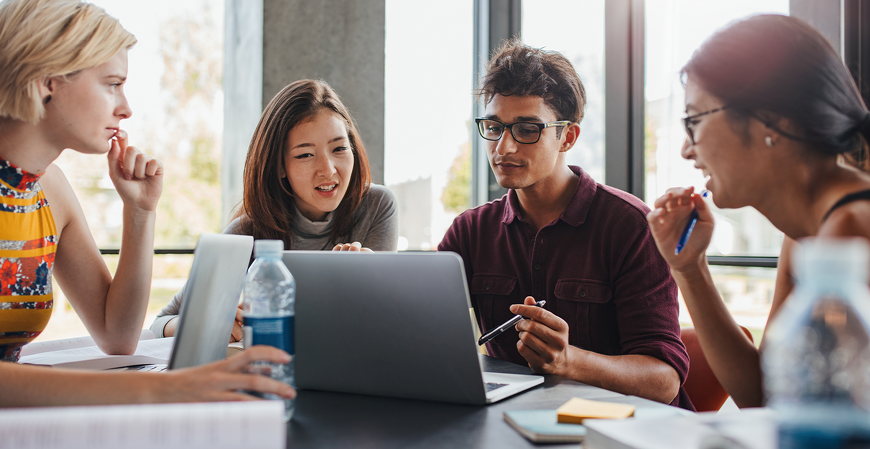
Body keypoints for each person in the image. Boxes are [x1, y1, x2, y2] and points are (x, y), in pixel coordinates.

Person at [0, 0, 294, 406]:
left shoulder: (50, 188)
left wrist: (139, 212)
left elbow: (117, 336)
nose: (126, 107)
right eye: (112, 83)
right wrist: (162, 388)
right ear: (47, 80)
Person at [438, 39, 692, 409]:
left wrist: (569, 361)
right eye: (494, 127)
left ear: (567, 137)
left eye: (526, 129)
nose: (503, 148)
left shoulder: (630, 225)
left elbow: (664, 381)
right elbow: (418, 332)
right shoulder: (470, 231)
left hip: (627, 431)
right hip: (517, 425)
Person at [646, 14, 870, 408]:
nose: (686, 149)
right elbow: (765, 395)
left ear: (770, 120)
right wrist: (688, 267)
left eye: (695, 120)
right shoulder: (806, 230)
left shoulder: (852, 227)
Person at [152, 79, 398, 340]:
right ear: (279, 166)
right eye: (305, 155)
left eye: (339, 148)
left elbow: (378, 325)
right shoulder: (247, 232)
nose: (328, 169)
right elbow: (161, 322)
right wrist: (212, 324)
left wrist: (373, 279)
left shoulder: (377, 205)